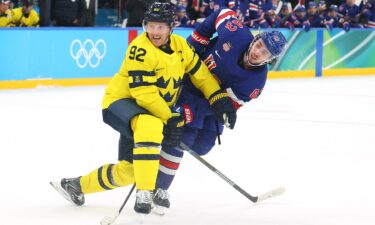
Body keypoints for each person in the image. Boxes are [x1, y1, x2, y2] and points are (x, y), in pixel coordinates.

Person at [50, 0, 237, 215]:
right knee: (151, 125)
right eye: (150, 25)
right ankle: (145, 192)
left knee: (131, 170)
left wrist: (218, 97)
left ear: (170, 27)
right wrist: (171, 118)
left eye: (160, 27)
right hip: (121, 103)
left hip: (151, 110)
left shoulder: (180, 46)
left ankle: (76, 185)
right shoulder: (139, 49)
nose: (154, 31)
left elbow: (201, 74)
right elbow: (144, 94)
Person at [153, 7, 287, 212]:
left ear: (270, 59)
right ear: (255, 39)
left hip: (211, 103)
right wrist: (197, 40)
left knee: (202, 146)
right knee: (183, 138)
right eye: (259, 45)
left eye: (265, 52)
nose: (257, 52)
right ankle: (158, 188)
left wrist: (202, 112)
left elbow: (225, 106)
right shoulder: (236, 32)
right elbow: (222, 12)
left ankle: (167, 140)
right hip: (190, 86)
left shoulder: (255, 84)